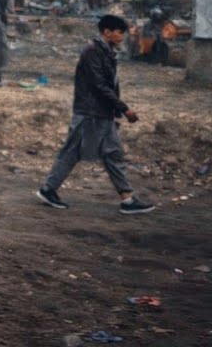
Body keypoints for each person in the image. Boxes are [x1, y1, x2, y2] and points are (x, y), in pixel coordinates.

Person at [36, 16, 155, 215]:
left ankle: (127, 199)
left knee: (112, 153)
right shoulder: (93, 51)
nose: (121, 36)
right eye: (118, 32)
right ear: (107, 32)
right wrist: (124, 108)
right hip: (91, 113)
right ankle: (48, 190)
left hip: (100, 113)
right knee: (74, 152)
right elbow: (99, 85)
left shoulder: (104, 51)